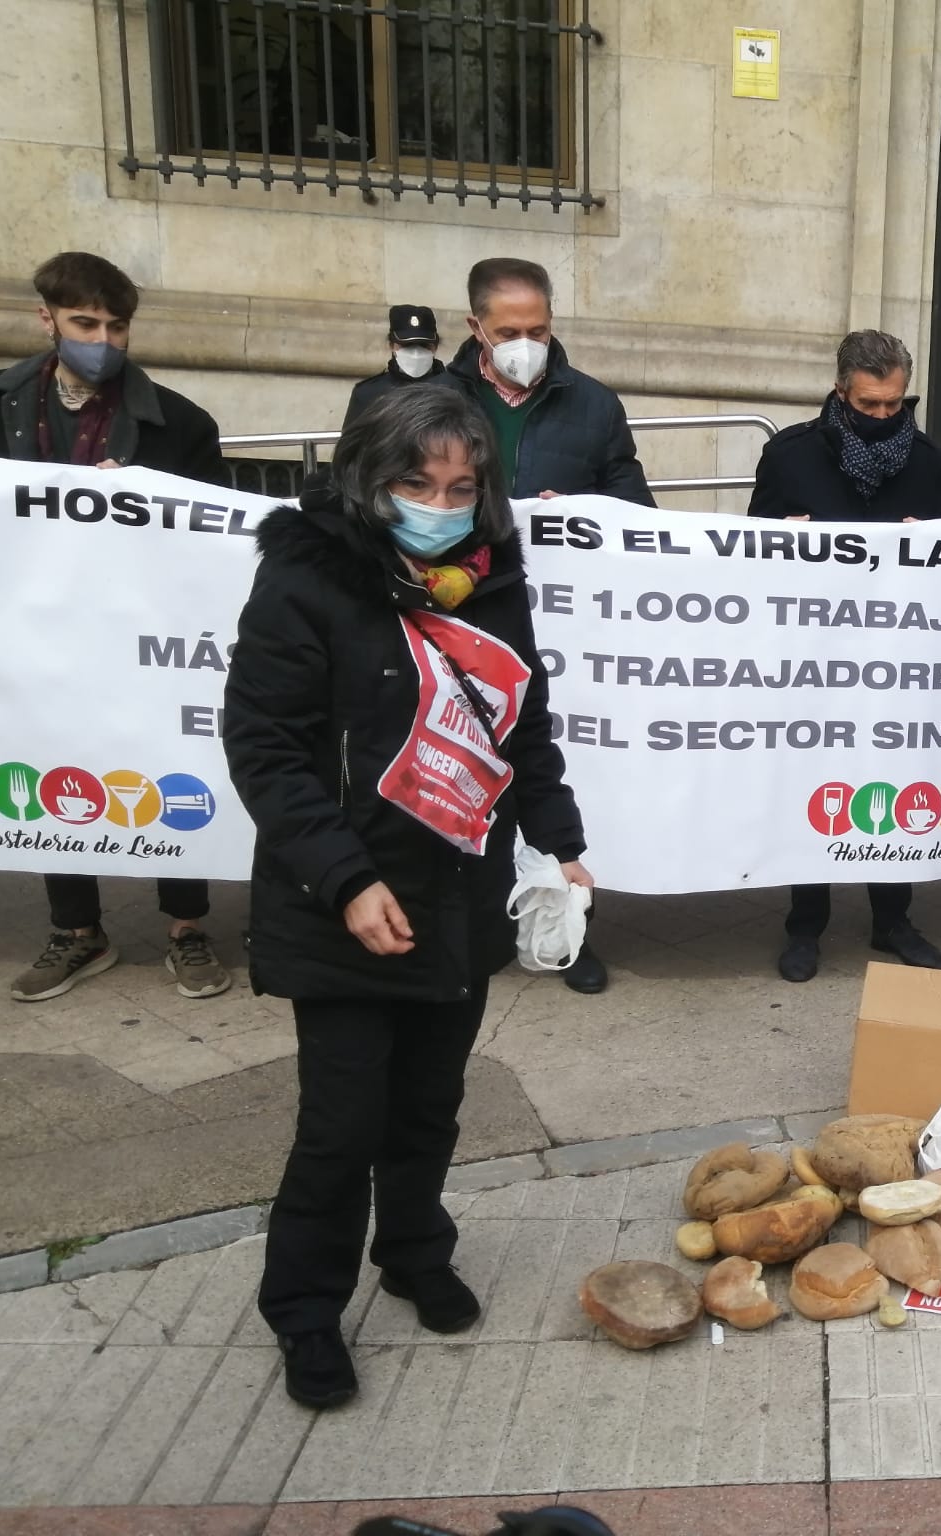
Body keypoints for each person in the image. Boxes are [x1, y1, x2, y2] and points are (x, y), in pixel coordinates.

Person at [223, 388, 593, 1410]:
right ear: (366, 480)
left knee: (430, 1108)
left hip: (458, 892)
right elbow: (266, 749)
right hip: (341, 899)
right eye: (416, 484)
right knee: (342, 1125)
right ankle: (304, 1310)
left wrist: (558, 840)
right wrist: (344, 880)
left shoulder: (489, 581)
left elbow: (522, 726)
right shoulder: (308, 580)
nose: (440, 503)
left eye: (461, 486)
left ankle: (414, 1253)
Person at [2, 251, 233, 1005]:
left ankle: (187, 924)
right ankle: (77, 929)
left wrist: (145, 507)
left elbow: (215, 537)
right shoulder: (5, 405)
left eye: (117, 326)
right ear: (47, 318)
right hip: (35, 631)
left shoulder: (182, 425)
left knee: (168, 756)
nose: (103, 339)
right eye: (85, 323)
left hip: (144, 631)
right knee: (48, 759)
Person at [448, 256, 649, 995]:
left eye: (537, 327)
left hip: (562, 631)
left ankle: (567, 925)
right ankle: (476, 922)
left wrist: (588, 517)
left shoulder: (593, 406)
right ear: (475, 327)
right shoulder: (433, 400)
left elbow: (636, 515)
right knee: (464, 765)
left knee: (551, 763)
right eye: (508, 330)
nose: (525, 342)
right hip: (459, 617)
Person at [748, 329, 941, 983]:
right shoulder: (789, 457)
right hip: (814, 656)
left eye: (895, 405)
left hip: (895, 655)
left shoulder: (923, 459)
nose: (885, 417)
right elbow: (746, 552)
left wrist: (930, 544)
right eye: (871, 406)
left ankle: (894, 919)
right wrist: (781, 540)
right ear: (841, 392)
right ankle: (805, 925)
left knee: (891, 784)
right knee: (818, 784)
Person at [343, 304, 451, 428]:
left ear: (435, 347)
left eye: (424, 345)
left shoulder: (457, 389)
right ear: (392, 346)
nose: (416, 352)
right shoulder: (368, 394)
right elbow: (351, 445)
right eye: (407, 345)